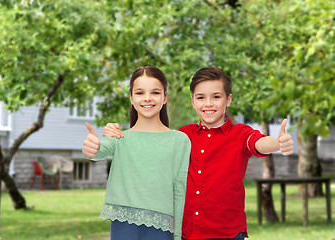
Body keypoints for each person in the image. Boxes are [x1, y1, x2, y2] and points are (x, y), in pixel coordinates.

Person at [102, 66, 294, 240]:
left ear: (228, 99)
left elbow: (258, 143)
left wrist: (278, 143)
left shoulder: (239, 134)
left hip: (227, 233)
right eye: (201, 97)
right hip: (188, 234)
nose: (208, 104)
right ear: (193, 102)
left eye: (216, 97)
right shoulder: (183, 135)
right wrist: (114, 132)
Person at [82, 65, 191, 240]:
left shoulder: (180, 140)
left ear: (165, 98)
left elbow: (180, 191)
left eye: (155, 92)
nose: (147, 98)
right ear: (131, 98)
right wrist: (91, 147)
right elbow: (100, 151)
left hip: (162, 228)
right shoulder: (119, 137)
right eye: (140, 93)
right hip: (123, 225)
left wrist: (177, 236)